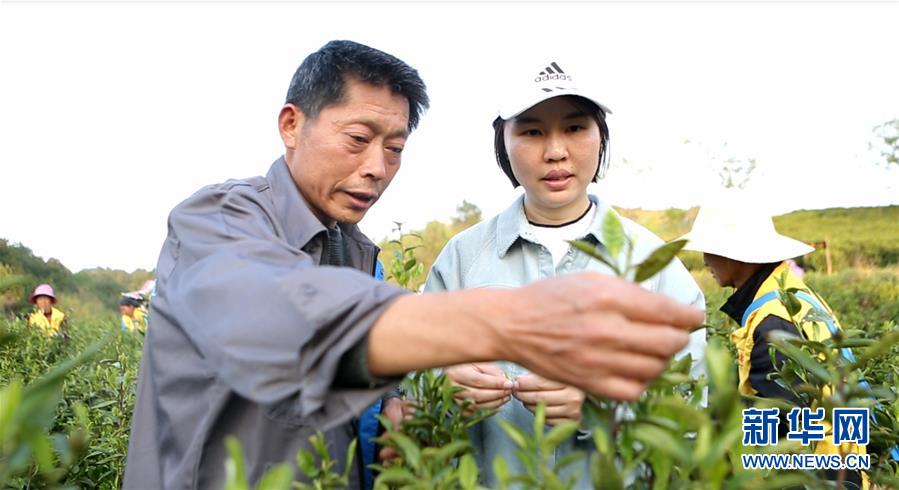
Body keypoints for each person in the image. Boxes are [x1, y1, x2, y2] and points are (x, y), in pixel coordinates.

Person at [123, 41, 703, 489]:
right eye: (358, 138)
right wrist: (501, 323)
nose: (377, 166)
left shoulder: (358, 254)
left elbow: (694, 413)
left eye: (395, 148)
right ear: (291, 124)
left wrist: (409, 409)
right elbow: (270, 315)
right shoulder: (219, 220)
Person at [422, 59, 708, 488]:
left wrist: (604, 406)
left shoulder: (655, 267)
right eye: (532, 131)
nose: (555, 151)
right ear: (503, 141)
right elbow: (414, 389)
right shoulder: (461, 260)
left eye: (575, 128)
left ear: (601, 136)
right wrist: (444, 389)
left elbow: (689, 412)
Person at [676, 200, 865, 489]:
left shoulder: (772, 320)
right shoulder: (789, 293)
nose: (705, 261)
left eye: (710, 251)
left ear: (735, 255)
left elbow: (782, 432)